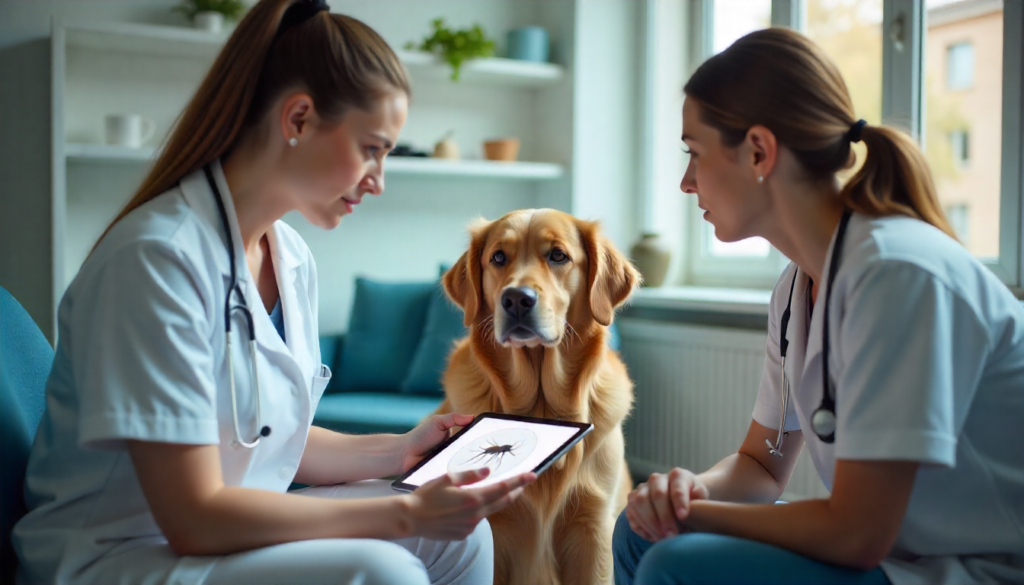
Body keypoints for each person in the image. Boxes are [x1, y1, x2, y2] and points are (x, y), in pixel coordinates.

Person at [12, 1, 533, 584]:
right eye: (371, 149)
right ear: (299, 119)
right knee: (380, 569)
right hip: (121, 555)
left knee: (461, 538)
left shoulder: (291, 257)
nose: (378, 182)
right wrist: (405, 513)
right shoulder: (157, 260)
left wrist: (403, 450)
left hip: (225, 528)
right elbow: (192, 517)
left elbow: (269, 442)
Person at [613, 27, 1024, 585]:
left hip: (974, 568)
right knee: (639, 533)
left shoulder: (896, 274)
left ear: (758, 151)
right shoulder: (796, 288)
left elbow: (856, 535)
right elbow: (761, 466)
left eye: (695, 153)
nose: (687, 182)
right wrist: (684, 494)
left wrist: (696, 517)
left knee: (673, 561)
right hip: (896, 553)